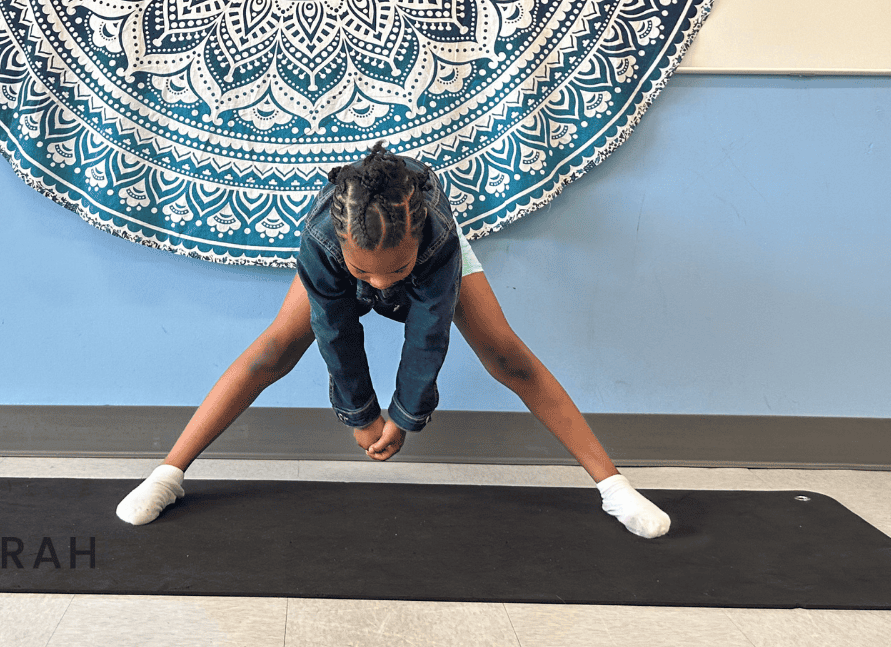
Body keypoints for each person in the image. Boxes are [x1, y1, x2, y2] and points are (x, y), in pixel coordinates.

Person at [115, 143, 673, 539]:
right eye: (368, 275)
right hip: (347, 258)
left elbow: (428, 336)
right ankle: (168, 475)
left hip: (428, 260)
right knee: (271, 353)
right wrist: (360, 414)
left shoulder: (436, 241)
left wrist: (404, 417)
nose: (381, 288)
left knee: (509, 358)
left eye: (394, 272)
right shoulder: (323, 243)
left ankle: (615, 489)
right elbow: (336, 331)